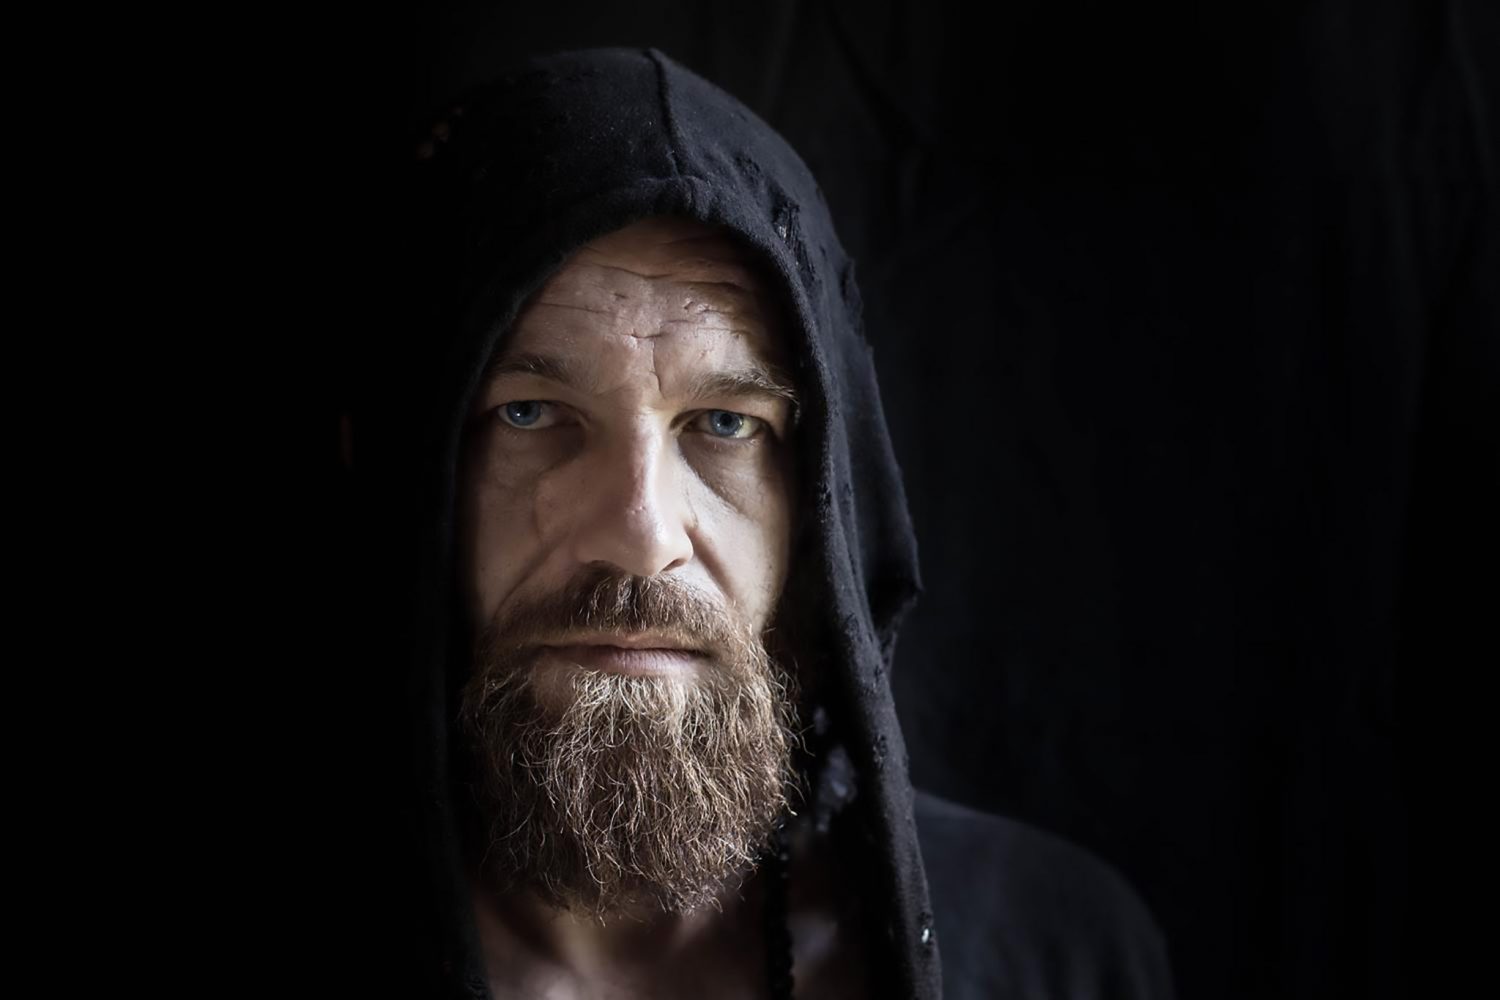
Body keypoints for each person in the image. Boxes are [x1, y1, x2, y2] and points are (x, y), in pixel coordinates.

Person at [344, 45, 1177, 999]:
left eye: (726, 423)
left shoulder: (1054, 950)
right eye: (530, 413)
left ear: (820, 503)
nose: (643, 535)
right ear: (415, 469)